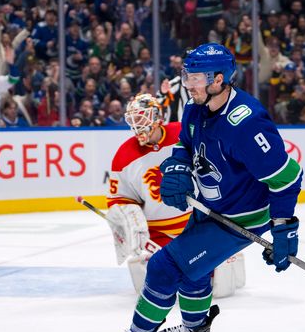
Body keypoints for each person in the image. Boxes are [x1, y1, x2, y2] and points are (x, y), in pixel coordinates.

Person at [94, 43, 303, 332]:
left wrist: (285, 227)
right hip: (213, 207)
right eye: (186, 75)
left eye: (195, 77)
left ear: (218, 79)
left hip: (242, 217)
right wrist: (176, 164)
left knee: (165, 266)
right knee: (194, 270)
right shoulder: (195, 108)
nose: (188, 84)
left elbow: (286, 176)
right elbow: (185, 144)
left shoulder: (245, 123)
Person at [104, 93, 246, 298]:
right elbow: (120, 198)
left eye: (141, 117)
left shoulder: (183, 132)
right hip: (158, 233)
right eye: (133, 119)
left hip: (197, 224)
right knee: (156, 276)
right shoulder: (124, 155)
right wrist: (128, 220)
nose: (137, 124)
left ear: (155, 116)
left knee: (218, 281)